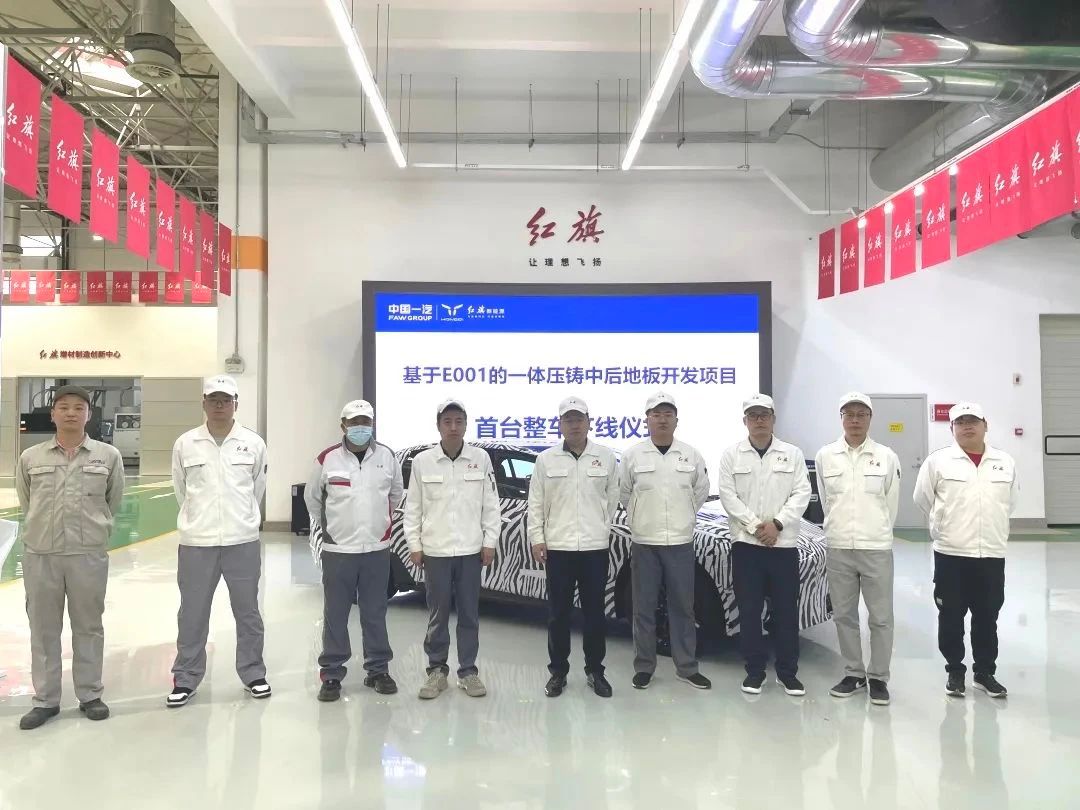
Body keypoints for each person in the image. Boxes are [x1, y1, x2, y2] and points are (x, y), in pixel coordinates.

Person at [15, 385, 124, 730]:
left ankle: (90, 695)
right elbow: (27, 501)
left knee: (88, 626)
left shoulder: (108, 456)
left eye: (79, 407)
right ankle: (46, 700)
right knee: (43, 628)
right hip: (41, 554)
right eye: (63, 407)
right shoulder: (31, 457)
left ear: (88, 414)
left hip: (87, 554)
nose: (71, 413)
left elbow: (113, 500)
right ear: (53, 414)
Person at [167, 375, 269, 708]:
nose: (220, 405)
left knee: (248, 612)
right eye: (213, 399)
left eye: (226, 400)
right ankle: (186, 678)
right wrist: (199, 519)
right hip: (197, 542)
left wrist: (242, 519)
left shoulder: (253, 443)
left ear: (236, 404)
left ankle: (253, 674)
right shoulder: (186, 443)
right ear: (204, 403)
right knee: (192, 613)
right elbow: (181, 489)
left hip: (242, 541)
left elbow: (257, 487)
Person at [914, 402, 1017, 699]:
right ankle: (955, 671)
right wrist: (945, 524)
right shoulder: (938, 462)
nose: (967, 426)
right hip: (951, 554)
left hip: (990, 554)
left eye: (973, 421)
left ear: (985, 425)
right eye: (960, 422)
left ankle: (984, 673)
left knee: (987, 616)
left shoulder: (1004, 462)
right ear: (952, 428)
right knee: (951, 616)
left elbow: (1010, 503)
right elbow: (922, 499)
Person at [306, 399, 404, 702]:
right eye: (354, 422)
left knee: (375, 612)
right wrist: (334, 530)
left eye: (365, 421)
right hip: (339, 551)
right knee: (335, 614)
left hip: (376, 549)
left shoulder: (387, 457)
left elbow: (396, 495)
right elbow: (313, 500)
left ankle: (378, 670)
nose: (360, 427)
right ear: (343, 425)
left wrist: (379, 526)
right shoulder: (327, 459)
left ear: (372, 424)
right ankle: (332, 673)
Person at [404, 399, 501, 700]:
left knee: (470, 614)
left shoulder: (481, 458)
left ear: (466, 425)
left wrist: (489, 542)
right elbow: (413, 507)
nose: (453, 427)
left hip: (471, 551)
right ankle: (436, 670)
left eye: (459, 421)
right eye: (447, 421)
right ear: (438, 426)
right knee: (438, 614)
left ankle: (468, 671)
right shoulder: (423, 462)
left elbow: (491, 504)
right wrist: (414, 544)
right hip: (435, 551)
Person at [717, 393, 811, 696]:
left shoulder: (792, 454)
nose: (759, 420)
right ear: (744, 420)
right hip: (747, 545)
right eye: (753, 415)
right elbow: (728, 496)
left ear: (773, 419)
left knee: (786, 612)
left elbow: (801, 493)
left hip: (783, 546)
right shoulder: (732, 455)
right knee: (749, 611)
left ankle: (787, 673)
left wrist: (777, 524)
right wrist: (757, 526)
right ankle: (754, 671)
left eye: (764, 415)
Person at [528, 396, 620, 699]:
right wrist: (538, 538)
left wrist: (601, 528)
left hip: (594, 548)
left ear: (589, 422)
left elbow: (612, 498)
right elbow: (536, 503)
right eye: (568, 419)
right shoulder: (546, 460)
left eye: (579, 419)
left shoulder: (605, 457)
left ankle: (596, 671)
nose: (574, 424)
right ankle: (558, 672)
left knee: (595, 614)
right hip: (559, 548)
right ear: (560, 425)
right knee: (558, 614)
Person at [619, 391, 712, 691]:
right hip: (645, 541)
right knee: (643, 608)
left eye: (667, 414)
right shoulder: (633, 455)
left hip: (680, 542)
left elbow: (700, 491)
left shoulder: (691, 455)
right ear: (646, 420)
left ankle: (686, 667)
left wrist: (684, 516)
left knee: (683, 607)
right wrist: (640, 518)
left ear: (676, 420)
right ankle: (644, 666)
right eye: (656, 414)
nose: (662, 419)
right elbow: (624, 493)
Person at [815, 392, 901, 706]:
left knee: (881, 617)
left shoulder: (886, 456)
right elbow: (826, 500)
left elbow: (891, 503)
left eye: (861, 414)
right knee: (844, 615)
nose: (854, 420)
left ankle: (878, 677)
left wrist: (877, 532)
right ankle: (853, 672)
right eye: (848, 414)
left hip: (875, 547)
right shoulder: (826, 455)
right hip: (839, 547)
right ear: (841, 418)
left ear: (870, 418)